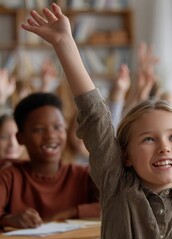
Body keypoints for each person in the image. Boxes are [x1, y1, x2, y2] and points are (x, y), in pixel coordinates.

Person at [21, 4, 172, 239]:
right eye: (149, 139)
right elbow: (95, 118)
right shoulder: (117, 188)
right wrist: (64, 43)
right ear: (126, 156)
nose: (164, 147)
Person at [0, 92, 100, 229]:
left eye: (57, 127)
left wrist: (72, 212)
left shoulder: (83, 175)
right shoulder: (8, 177)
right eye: (39, 130)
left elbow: (115, 206)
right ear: (20, 138)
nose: (51, 135)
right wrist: (8, 219)